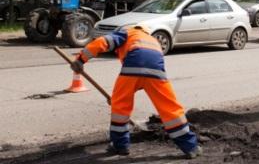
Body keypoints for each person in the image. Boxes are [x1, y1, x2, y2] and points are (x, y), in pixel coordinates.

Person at [70, 24, 202, 159]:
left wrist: (81, 59)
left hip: (131, 69)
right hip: (157, 73)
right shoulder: (153, 40)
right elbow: (146, 70)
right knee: (170, 108)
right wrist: (131, 88)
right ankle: (191, 147)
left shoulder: (127, 33)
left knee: (120, 109)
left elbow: (103, 42)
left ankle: (120, 146)